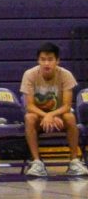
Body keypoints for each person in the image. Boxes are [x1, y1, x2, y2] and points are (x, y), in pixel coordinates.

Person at [21, 42, 87, 177]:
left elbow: (67, 106)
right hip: (39, 117)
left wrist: (51, 115)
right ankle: (37, 163)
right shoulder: (29, 75)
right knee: (29, 118)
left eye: (50, 59)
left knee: (70, 117)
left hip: (59, 116)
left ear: (57, 61)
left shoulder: (66, 75)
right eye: (43, 59)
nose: (46, 63)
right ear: (38, 60)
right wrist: (46, 116)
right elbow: (30, 106)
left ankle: (74, 161)